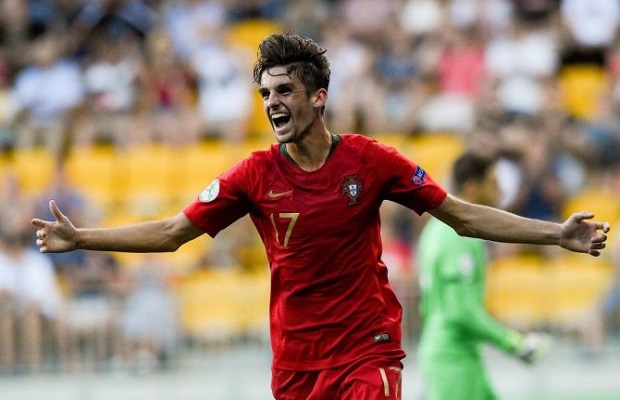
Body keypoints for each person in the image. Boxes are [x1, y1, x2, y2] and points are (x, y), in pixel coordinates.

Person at [32, 33, 610, 400]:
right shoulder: (253, 175)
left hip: (366, 350)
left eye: (284, 91)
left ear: (318, 96)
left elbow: (461, 216)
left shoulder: (372, 161)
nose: (272, 104)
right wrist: (82, 238)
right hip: (296, 364)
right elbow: (171, 233)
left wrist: (555, 235)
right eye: (265, 94)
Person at [416, 152, 553, 400]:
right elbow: (461, 310)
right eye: (493, 183)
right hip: (453, 359)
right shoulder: (458, 235)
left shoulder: (437, 228)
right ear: (472, 187)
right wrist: (515, 343)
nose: (501, 191)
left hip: (459, 353)